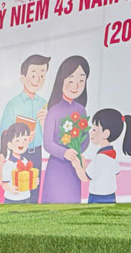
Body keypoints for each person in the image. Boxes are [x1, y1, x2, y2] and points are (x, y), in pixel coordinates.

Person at [0, 54, 51, 203]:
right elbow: (4, 133)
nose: (37, 79)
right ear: (23, 78)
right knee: (16, 192)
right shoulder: (13, 105)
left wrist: (44, 123)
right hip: (18, 154)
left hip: (37, 153)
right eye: (33, 74)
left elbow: (50, 135)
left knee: (33, 192)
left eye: (42, 75)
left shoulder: (45, 104)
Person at [42, 55, 90, 203]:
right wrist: (64, 152)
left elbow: (86, 137)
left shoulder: (81, 110)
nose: (76, 85)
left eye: (81, 81)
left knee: (71, 206)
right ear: (61, 81)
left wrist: (77, 151)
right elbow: (48, 143)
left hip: (74, 167)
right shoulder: (53, 111)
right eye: (71, 80)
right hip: (57, 166)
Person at [67, 108, 131, 203]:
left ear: (106, 133)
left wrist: (77, 165)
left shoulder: (100, 158)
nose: (91, 133)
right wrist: (84, 162)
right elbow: (99, 173)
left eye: (94, 129)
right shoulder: (112, 155)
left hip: (97, 198)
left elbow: (84, 177)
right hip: (111, 197)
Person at [0, 123, 34, 204]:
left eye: (25, 139)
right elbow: (4, 184)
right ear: (10, 145)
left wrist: (34, 181)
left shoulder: (25, 160)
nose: (22, 143)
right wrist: (11, 188)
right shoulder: (9, 164)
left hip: (26, 197)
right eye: (17, 140)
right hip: (12, 199)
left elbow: (28, 178)